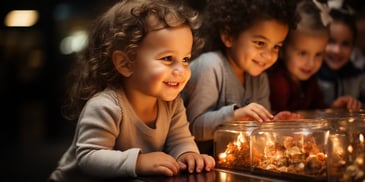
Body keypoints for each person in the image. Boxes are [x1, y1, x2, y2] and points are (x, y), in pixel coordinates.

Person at [48, 0, 215, 181]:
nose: (181, 70)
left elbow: (180, 140)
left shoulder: (172, 104)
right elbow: (89, 157)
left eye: (185, 59)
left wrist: (187, 155)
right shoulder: (105, 106)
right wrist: (139, 162)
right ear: (125, 64)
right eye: (168, 58)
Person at [181, 0, 300, 155]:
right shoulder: (210, 66)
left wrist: (273, 124)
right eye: (260, 43)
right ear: (228, 35)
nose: (268, 55)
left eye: (276, 46)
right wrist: (236, 115)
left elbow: (257, 134)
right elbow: (194, 128)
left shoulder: (260, 79)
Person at [268, 0, 361, 112]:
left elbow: (317, 111)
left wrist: (333, 109)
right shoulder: (278, 83)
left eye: (318, 54)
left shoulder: (311, 80)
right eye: (303, 53)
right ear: (282, 49)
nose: (311, 63)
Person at [317, 7, 365, 109]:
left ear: (353, 46)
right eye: (331, 41)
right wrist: (331, 109)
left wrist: (358, 106)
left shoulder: (359, 77)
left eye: (345, 44)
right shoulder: (312, 77)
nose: (337, 50)